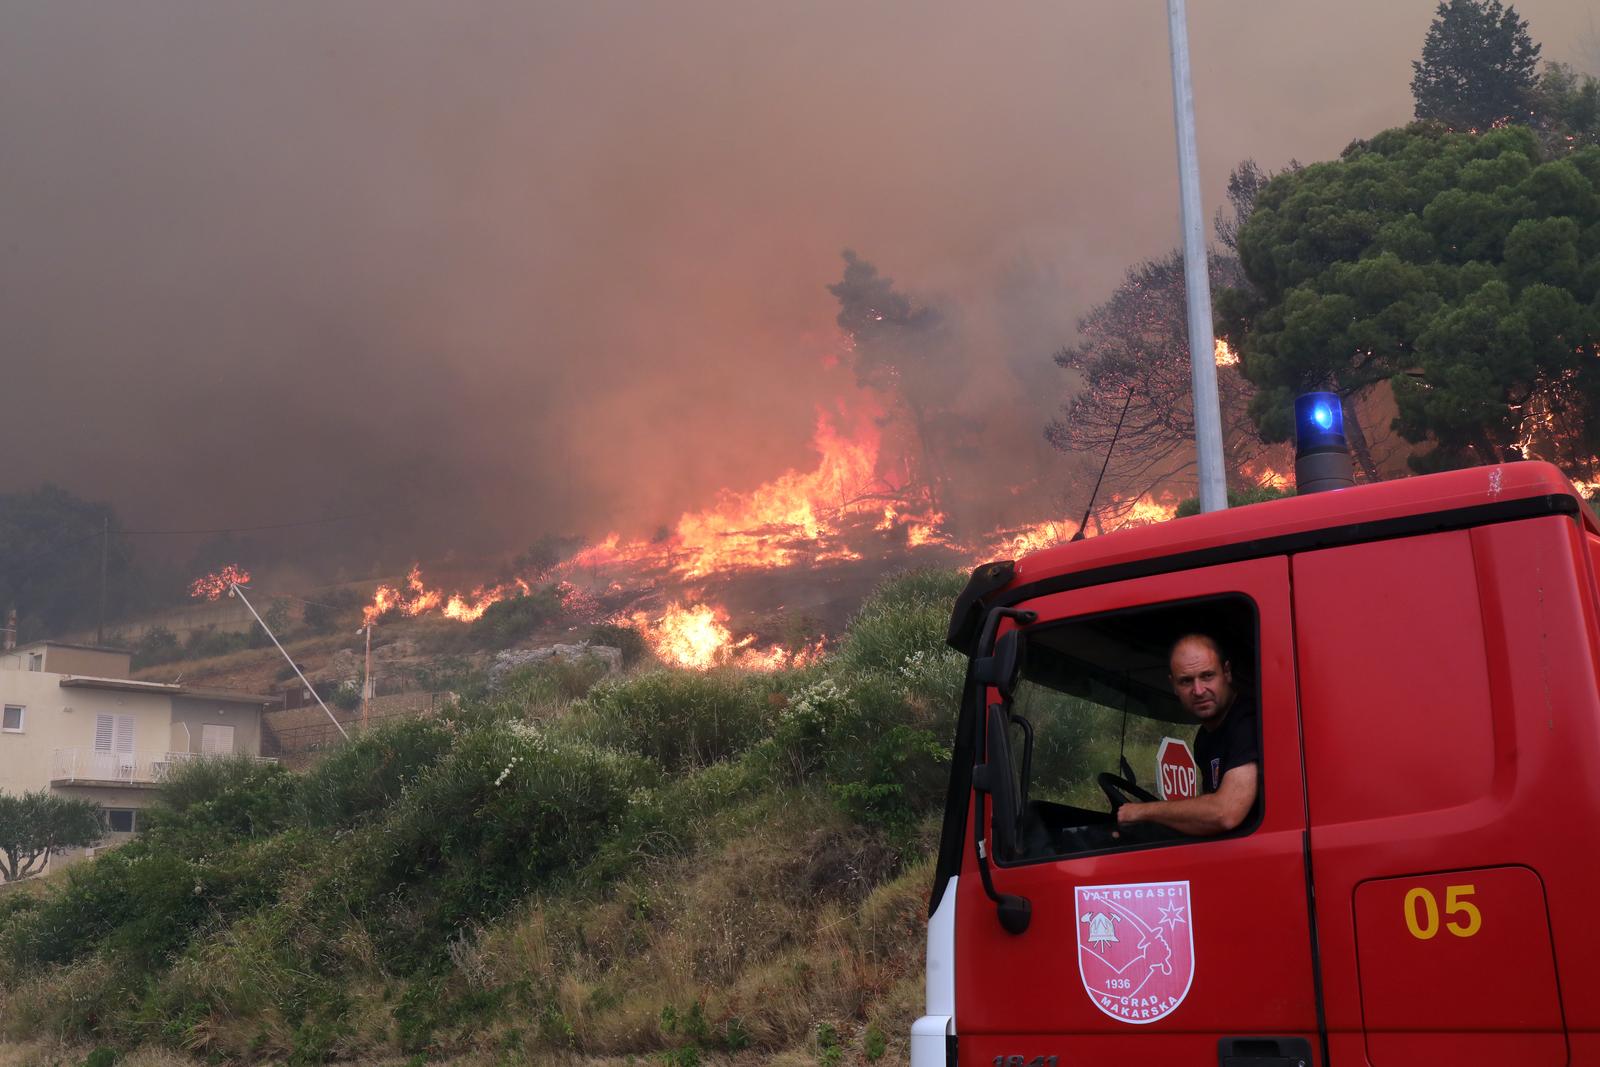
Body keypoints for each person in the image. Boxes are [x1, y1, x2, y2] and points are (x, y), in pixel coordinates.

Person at [1115, 633, 1259, 836]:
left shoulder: (1248, 721)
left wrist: (1140, 811)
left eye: (1207, 676)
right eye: (1186, 681)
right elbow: (1206, 822)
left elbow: (1226, 813)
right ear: (1173, 685)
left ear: (1226, 672)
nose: (1198, 690)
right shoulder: (1205, 738)